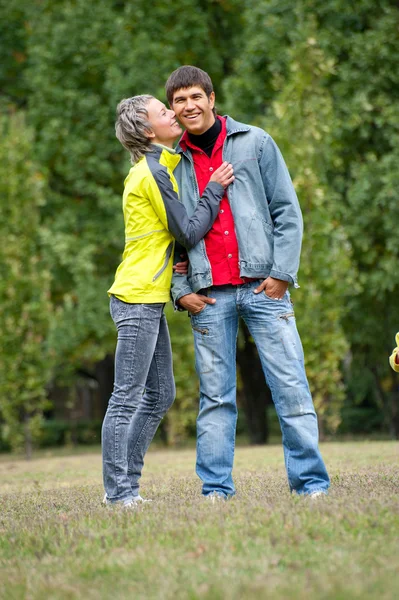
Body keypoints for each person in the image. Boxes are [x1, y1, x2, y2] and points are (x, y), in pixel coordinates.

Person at [166, 66, 330, 500]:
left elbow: (287, 212)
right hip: (209, 297)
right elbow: (170, 236)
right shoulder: (171, 162)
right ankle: (216, 491)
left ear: (212, 98)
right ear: (173, 109)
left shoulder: (255, 142)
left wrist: (281, 274)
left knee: (291, 386)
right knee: (215, 399)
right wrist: (182, 292)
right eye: (180, 100)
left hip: (264, 287)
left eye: (196, 96)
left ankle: (311, 485)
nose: (190, 106)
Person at [102, 94, 234, 507]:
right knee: (127, 396)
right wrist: (214, 190)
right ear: (146, 130)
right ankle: (119, 492)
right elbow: (188, 231)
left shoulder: (161, 168)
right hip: (137, 298)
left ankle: (128, 486)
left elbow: (168, 236)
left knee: (160, 395)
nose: (173, 113)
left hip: (148, 299)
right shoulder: (151, 173)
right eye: (164, 112)